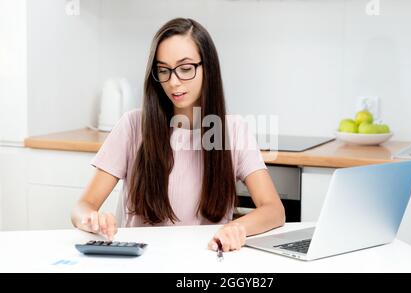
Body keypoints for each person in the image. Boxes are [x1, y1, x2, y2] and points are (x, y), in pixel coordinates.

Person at [71, 18, 285, 252]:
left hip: (206, 260)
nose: (173, 82)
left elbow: (274, 209)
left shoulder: (233, 130)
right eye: (164, 71)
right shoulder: (132, 126)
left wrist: (238, 228)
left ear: (208, 68)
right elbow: (83, 206)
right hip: (144, 261)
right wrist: (90, 218)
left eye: (185, 69)